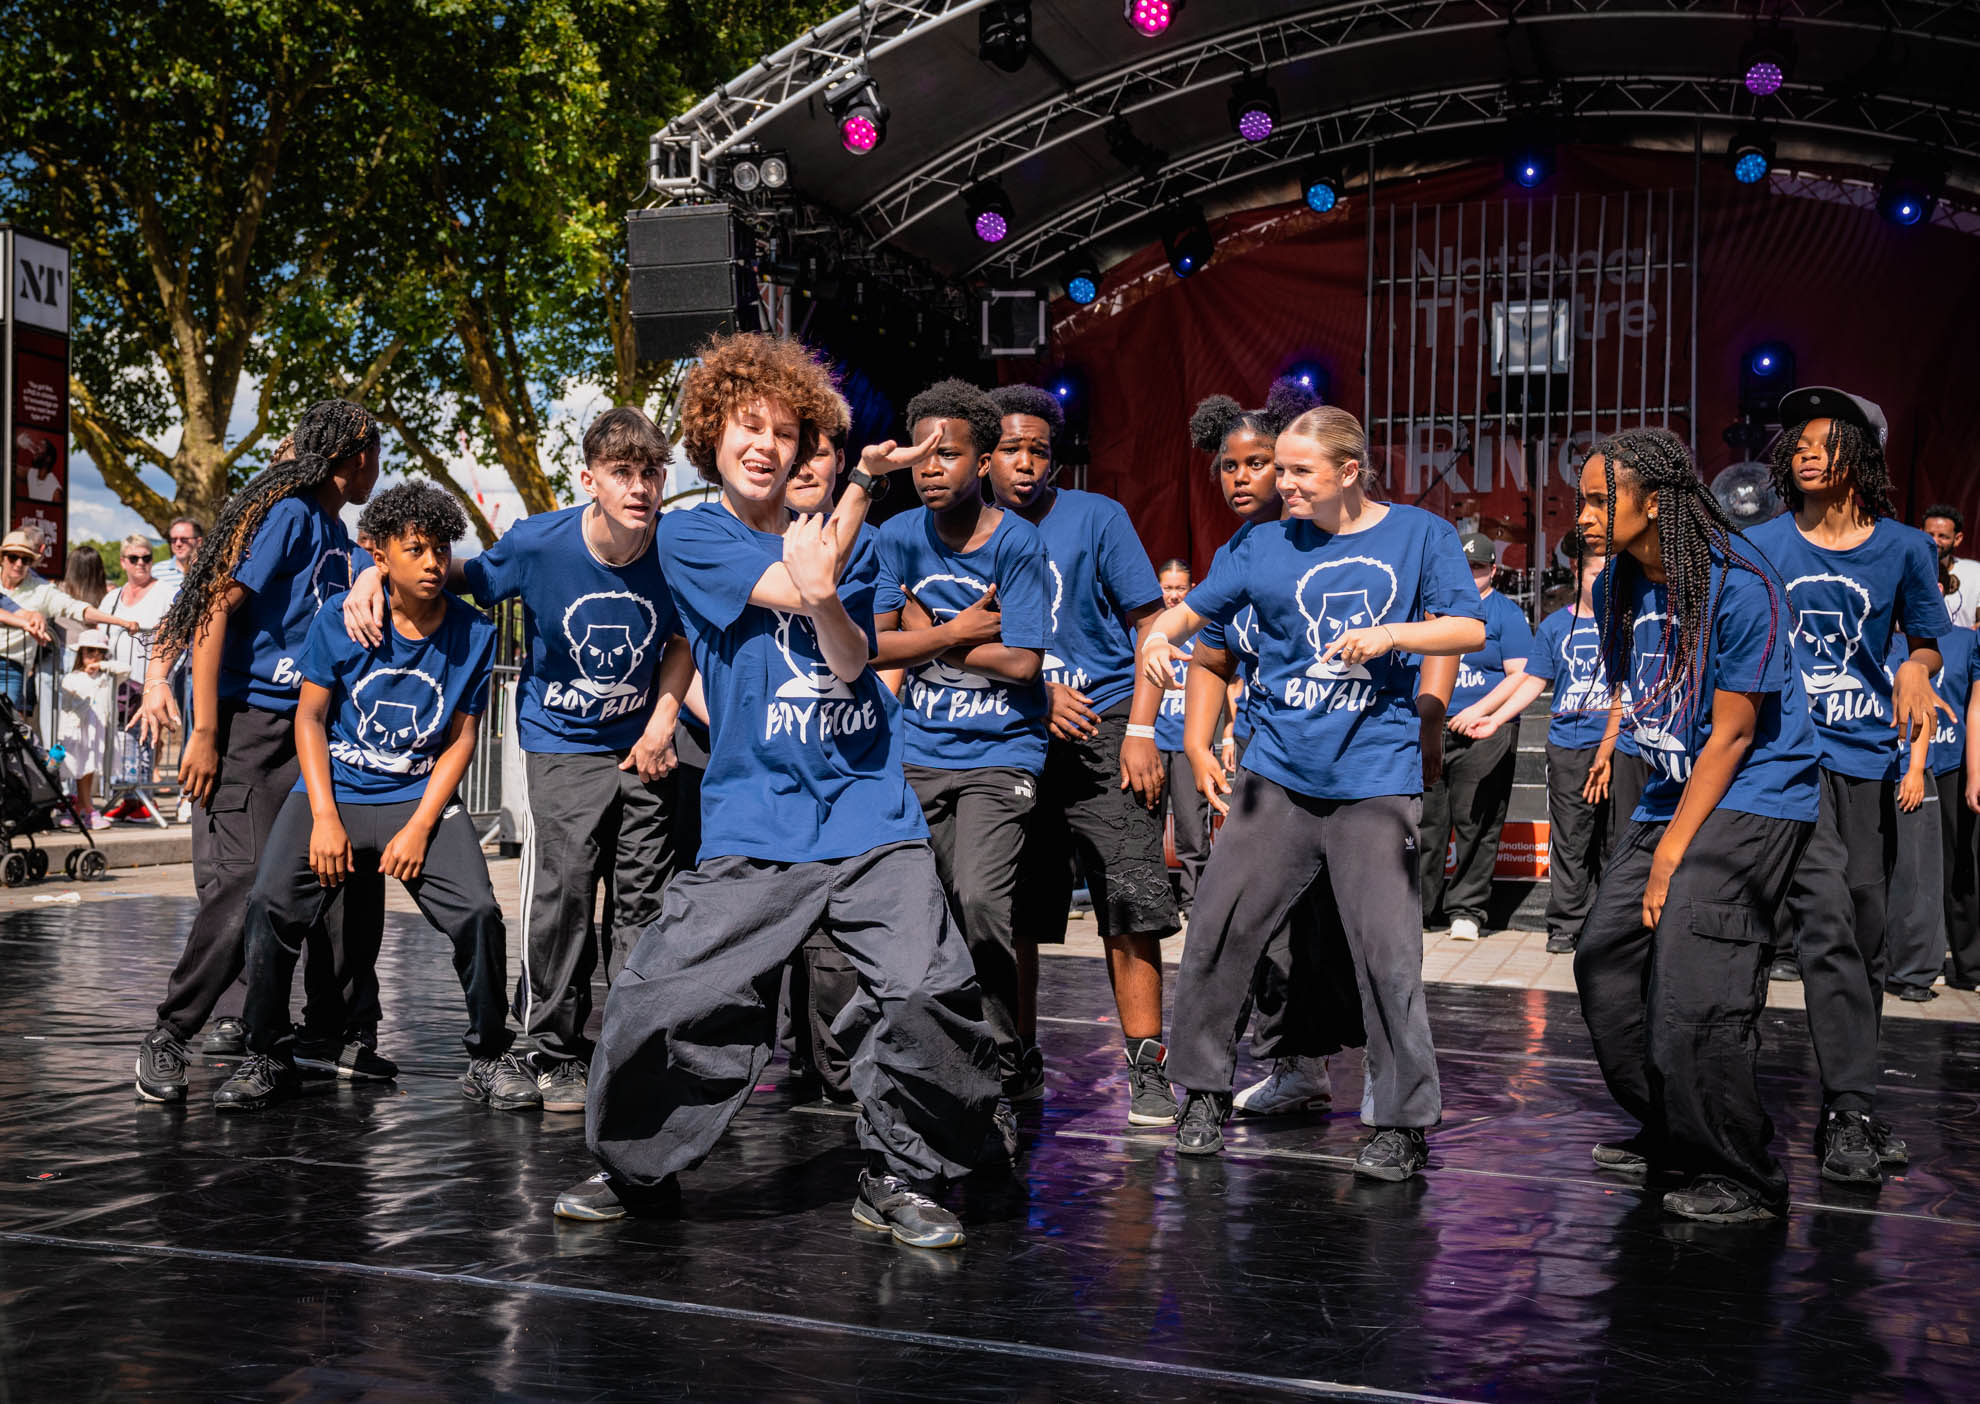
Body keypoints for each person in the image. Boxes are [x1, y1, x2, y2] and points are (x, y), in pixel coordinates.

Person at [557, 333, 999, 1251]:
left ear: (804, 445)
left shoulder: (858, 543)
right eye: (746, 426)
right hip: (757, 820)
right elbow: (785, 590)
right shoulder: (692, 533)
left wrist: (830, 579)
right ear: (713, 434)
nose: (764, 443)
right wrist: (820, 563)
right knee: (660, 999)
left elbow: (849, 657)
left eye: (783, 430)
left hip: (871, 811)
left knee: (926, 991)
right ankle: (637, 1171)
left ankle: (902, 1173)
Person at [1139, 404, 1485, 1180]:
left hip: (1374, 778)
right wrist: (1159, 641)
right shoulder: (1260, 544)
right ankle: (1200, 1093)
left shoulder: (1420, 535)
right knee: (1220, 932)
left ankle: (1399, 1122)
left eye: (1297, 470)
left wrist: (1393, 636)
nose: (1279, 483)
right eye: (1277, 469)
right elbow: (1189, 620)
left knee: (1388, 956)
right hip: (1279, 773)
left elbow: (1466, 630)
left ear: (1348, 471)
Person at [345, 406, 685, 1116]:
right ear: (590, 479)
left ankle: (630, 1045)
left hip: (641, 747)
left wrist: (662, 719)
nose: (639, 487)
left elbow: (682, 640)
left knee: (643, 907)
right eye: (622, 472)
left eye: (652, 472)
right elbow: (456, 576)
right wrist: (367, 574)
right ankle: (549, 1049)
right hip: (560, 741)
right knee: (562, 894)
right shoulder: (540, 544)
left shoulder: (676, 549)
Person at [1572, 427, 1822, 1224]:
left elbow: (1735, 734)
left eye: (1599, 499)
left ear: (1657, 502)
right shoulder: (1620, 583)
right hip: (1670, 792)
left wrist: (1668, 855)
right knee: (1603, 956)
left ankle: (1742, 1174)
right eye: (1581, 499)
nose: (1583, 516)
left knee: (1694, 976)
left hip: (1753, 794)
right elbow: (1638, 693)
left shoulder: (1741, 584)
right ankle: (1674, 1128)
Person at [213, 482, 512, 1111]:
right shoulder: (342, 620)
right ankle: (266, 1054)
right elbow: (310, 719)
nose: (434, 563)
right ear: (381, 558)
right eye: (417, 550)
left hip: (415, 796)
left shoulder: (474, 632)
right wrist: (323, 815)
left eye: (442, 549)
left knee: (481, 916)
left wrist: (421, 824)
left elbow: (462, 740)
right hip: (338, 792)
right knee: (268, 904)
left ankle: (489, 1055)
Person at [131, 400, 382, 1101]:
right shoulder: (292, 515)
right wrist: (205, 733)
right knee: (242, 887)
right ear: (354, 457)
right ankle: (170, 1034)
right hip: (246, 728)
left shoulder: (334, 530)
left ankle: (303, 1033)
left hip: (304, 732)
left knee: (319, 883)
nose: (377, 470)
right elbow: (210, 607)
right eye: (375, 456)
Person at [1746, 386, 1946, 1180]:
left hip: (1864, 763)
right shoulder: (1762, 544)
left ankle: (1851, 1102)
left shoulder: (1902, 549)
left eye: (1825, 440)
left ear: (1860, 457)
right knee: (1824, 924)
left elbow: (1928, 641)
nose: (1803, 448)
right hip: (1783, 760)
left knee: (1861, 940)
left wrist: (1914, 667)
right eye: (1798, 438)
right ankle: (1846, 1115)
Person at [987, 384, 1180, 1124]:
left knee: (1128, 908)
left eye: (1040, 449)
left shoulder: (1098, 517)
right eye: (1012, 449)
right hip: (1008, 737)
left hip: (1104, 736)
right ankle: (1016, 1059)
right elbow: (951, 637)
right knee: (1013, 915)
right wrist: (1037, 696)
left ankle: (1147, 1066)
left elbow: (1152, 624)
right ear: (984, 458)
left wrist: (1139, 729)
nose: (1028, 462)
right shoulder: (963, 528)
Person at [1181, 381, 1366, 1119]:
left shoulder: (1336, 538)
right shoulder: (1238, 553)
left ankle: (1323, 1064)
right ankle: (1281, 1062)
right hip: (1265, 758)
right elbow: (1211, 653)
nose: (1246, 479)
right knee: (1245, 923)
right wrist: (1197, 742)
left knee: (1325, 929)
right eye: (1231, 466)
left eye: (1261, 464)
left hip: (1342, 758)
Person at [870, 378, 1049, 1127]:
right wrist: (957, 630)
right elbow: (878, 647)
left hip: (1001, 756)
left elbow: (1024, 663)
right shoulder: (895, 537)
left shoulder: (1018, 543)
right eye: (921, 456)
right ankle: (939, 1056)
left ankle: (1009, 1059)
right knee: (923, 911)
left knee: (980, 902)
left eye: (950, 454)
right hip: (918, 753)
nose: (932, 468)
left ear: (982, 463)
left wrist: (931, 631)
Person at [1488, 547, 1613, 953]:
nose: (1605, 582)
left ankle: (1610, 926)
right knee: (1571, 840)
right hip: (1570, 746)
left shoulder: (1629, 623)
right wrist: (1493, 716)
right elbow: (1531, 681)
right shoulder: (1555, 626)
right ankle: (1566, 924)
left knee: (1616, 839)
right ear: (1578, 573)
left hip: (1618, 744)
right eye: (1597, 574)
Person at [1419, 533, 1534, 941]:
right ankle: (1420, 908)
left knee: (1475, 823)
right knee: (1426, 824)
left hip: (1483, 732)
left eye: (1479, 568)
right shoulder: (1432, 611)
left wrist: (1480, 709)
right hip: (1432, 729)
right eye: (1464, 568)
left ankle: (1466, 910)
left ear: (1493, 571)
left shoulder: (1504, 613)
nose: (1470, 575)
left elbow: (1521, 673)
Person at [1883, 631, 1975, 1001]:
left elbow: (1924, 712)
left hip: (1913, 769)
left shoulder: (1922, 652)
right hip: (1870, 767)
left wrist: (1916, 770)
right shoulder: (1871, 636)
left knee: (1918, 877)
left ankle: (1916, 972)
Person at [0, 530, 137, 718]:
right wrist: (26, 621)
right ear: (2, 558)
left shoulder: (43, 590)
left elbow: (76, 608)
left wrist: (120, 622)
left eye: (25, 560)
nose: (18, 564)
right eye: (13, 557)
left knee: (5, 728)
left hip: (12, 668)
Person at [101, 534, 178, 822]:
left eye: (147, 558)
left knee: (147, 740)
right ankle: (129, 798)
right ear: (123, 562)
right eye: (134, 558)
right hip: (116, 683)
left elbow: (176, 635)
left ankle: (147, 799)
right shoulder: (112, 597)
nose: (141, 563)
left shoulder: (165, 592)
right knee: (123, 743)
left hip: (148, 681)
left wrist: (162, 679)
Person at [1152, 558, 1214, 913]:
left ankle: (1195, 902)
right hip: (1155, 744)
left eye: (1180, 588)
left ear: (1191, 589)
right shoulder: (1147, 631)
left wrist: (1229, 728)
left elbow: (1229, 682)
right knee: (1149, 826)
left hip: (1189, 743)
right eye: (1167, 588)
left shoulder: (1203, 630)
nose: (1173, 595)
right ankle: (1156, 903)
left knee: (1193, 827)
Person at [56, 628, 126, 828]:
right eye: (90, 652)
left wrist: (102, 665)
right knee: (80, 769)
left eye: (99, 652)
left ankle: (79, 808)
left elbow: (125, 669)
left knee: (88, 770)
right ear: (81, 653)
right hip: (78, 730)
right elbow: (68, 706)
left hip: (98, 730)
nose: (94, 656)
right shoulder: (72, 678)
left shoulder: (107, 676)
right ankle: (89, 809)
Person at [1921, 506, 1980, 629]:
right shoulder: (1904, 570)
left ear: (1957, 539)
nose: (1934, 541)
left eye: (1943, 536)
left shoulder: (1975, 573)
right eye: (1930, 535)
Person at [153, 517, 205, 584]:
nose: (178, 544)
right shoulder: (156, 571)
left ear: (199, 542)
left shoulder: (209, 571)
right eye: (174, 539)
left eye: (184, 539)